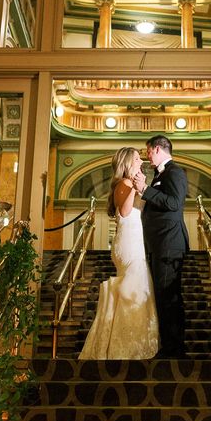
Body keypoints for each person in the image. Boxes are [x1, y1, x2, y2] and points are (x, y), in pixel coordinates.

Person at [79, 147, 159, 360]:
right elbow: (124, 211)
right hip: (129, 245)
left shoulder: (127, 184)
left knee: (134, 288)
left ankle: (129, 340)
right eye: (136, 158)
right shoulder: (123, 184)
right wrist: (134, 184)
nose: (140, 160)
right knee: (136, 289)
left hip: (133, 242)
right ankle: (127, 346)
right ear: (127, 163)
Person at [133, 134, 189, 359]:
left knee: (169, 296)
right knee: (164, 296)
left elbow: (174, 203)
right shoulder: (160, 174)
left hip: (169, 244)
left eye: (148, 151)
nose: (147, 156)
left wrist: (146, 190)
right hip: (159, 244)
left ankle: (174, 349)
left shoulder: (175, 172)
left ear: (158, 149)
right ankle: (170, 346)